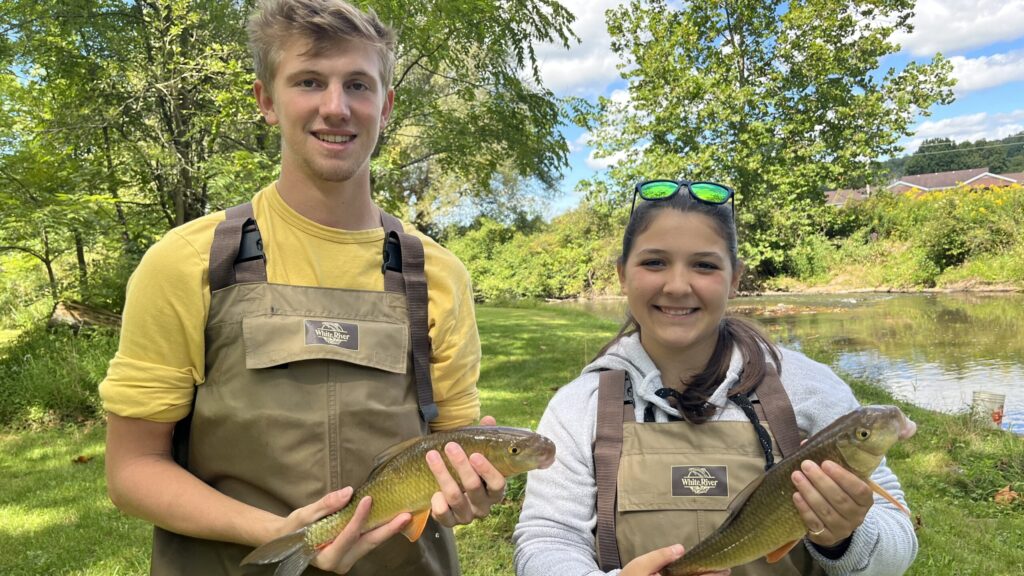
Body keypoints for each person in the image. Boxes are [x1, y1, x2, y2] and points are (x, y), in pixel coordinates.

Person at [100, 1, 506, 574]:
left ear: (385, 107)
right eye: (309, 81)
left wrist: (468, 492)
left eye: (358, 85)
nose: (336, 107)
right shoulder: (186, 263)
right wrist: (286, 537)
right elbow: (132, 471)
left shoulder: (438, 274)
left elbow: (449, 458)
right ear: (266, 100)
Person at [513, 179, 919, 576]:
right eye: (654, 262)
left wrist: (844, 537)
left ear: (735, 278)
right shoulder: (577, 407)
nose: (677, 286)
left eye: (704, 265)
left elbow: (897, 548)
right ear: (622, 274)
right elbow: (548, 539)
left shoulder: (811, 390)